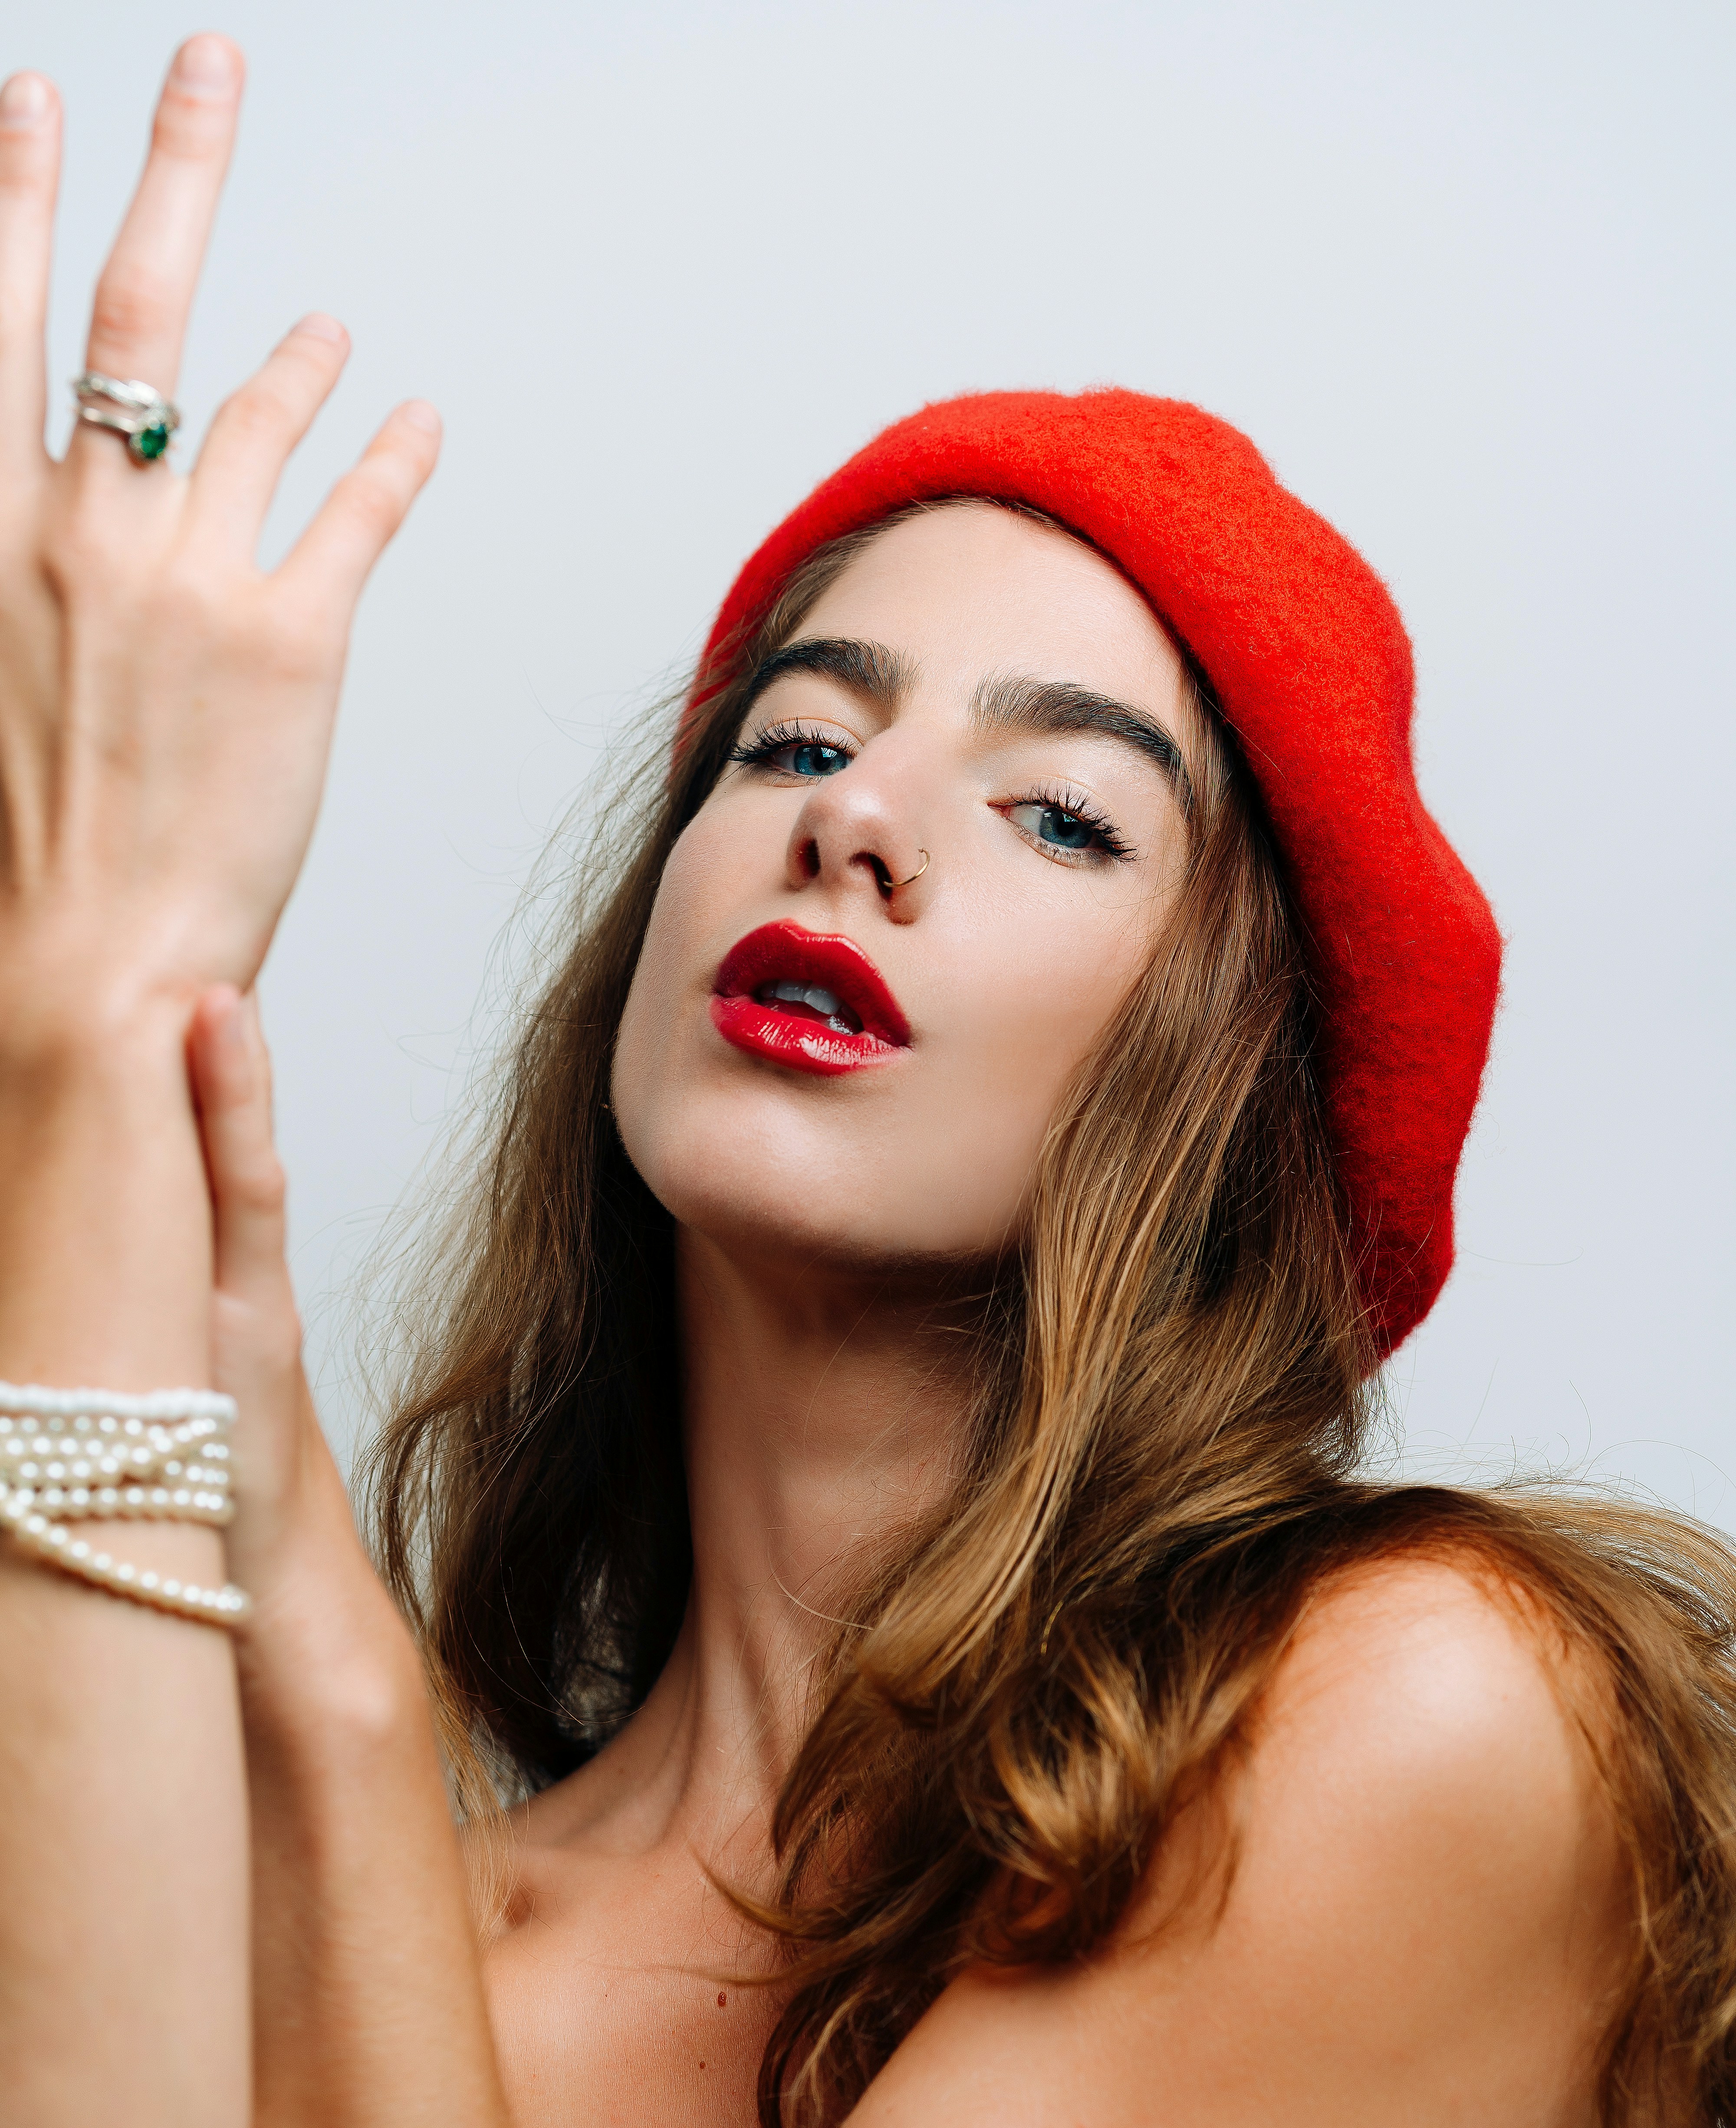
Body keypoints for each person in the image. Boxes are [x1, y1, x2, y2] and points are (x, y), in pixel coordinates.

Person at [0, 36, 1731, 2128]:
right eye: (797, 743)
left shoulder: (1409, 1710)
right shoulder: (375, 1924)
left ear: (1224, 1112)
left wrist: (101, 1027)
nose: (861, 823)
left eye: (1066, 814)